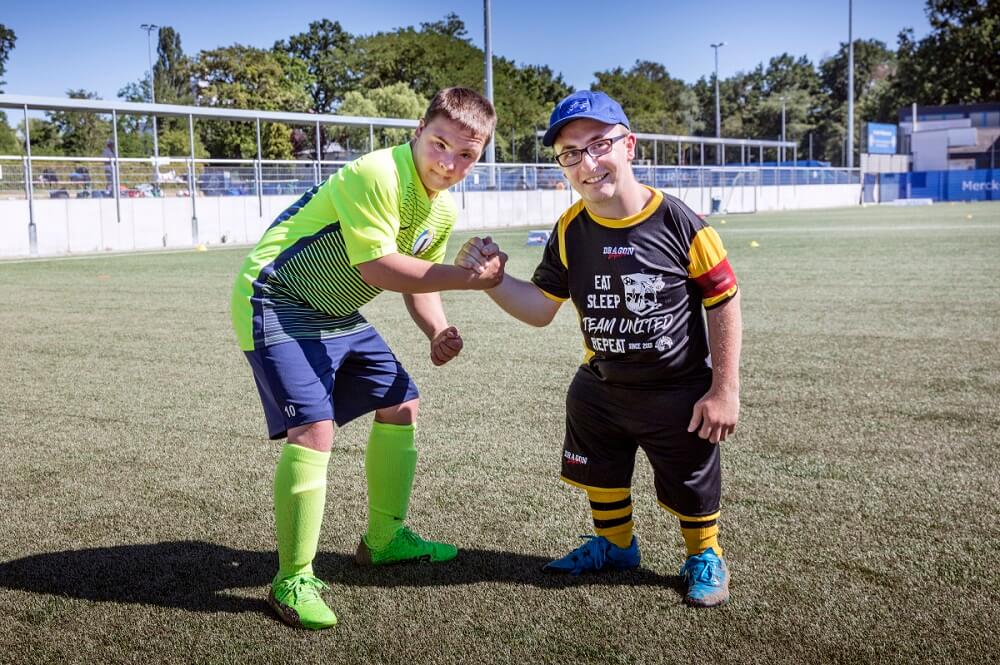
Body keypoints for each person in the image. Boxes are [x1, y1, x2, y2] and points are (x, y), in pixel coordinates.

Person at [456, 90, 742, 608]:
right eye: (570, 153)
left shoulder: (680, 223)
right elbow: (542, 308)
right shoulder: (570, 230)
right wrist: (494, 281)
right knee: (599, 464)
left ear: (628, 145)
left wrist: (723, 390)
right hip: (603, 387)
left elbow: (723, 302)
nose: (586, 163)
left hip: (675, 388)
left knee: (691, 478)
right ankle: (614, 546)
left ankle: (705, 554)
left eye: (598, 145)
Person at [231, 87, 503, 630]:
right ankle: (292, 579)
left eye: (466, 155)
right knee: (315, 430)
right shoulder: (377, 173)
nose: (449, 163)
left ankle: (383, 541)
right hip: (277, 300)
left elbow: (416, 278)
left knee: (402, 404)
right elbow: (378, 268)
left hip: (335, 311)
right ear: (417, 133)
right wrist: (473, 280)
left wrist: (438, 328)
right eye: (439, 144)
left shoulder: (442, 208)